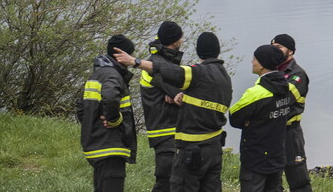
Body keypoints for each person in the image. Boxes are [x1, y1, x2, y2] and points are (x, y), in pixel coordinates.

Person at [115, 31, 232, 192]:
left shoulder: (197, 72)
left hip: (192, 150)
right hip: (214, 148)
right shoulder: (223, 76)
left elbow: (168, 71)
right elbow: (202, 96)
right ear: (217, 51)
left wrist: (134, 61)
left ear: (199, 51)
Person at [230, 45, 294, 192]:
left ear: (262, 65)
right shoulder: (286, 88)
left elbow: (234, 117)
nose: (251, 62)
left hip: (256, 159)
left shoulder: (256, 93)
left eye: (254, 59)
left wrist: (249, 121)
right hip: (277, 156)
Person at [79, 34, 138, 192]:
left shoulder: (96, 74)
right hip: (111, 147)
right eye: (130, 54)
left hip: (97, 145)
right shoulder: (113, 75)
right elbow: (111, 97)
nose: (132, 58)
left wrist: (93, 126)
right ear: (120, 54)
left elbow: (80, 108)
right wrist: (114, 120)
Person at [140, 21, 185, 192]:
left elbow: (178, 92)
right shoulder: (156, 65)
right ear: (175, 41)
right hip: (164, 130)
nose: (182, 40)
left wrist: (175, 93)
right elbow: (181, 96)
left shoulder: (161, 61)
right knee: (165, 181)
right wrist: (176, 94)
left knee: (174, 180)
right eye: (180, 37)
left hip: (168, 129)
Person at [271, 33, 311, 192]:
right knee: (272, 178)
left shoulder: (298, 74)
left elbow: (284, 99)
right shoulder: (270, 72)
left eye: (279, 47)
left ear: (291, 51)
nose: (275, 51)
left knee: (298, 178)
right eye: (273, 48)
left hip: (290, 132)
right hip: (272, 131)